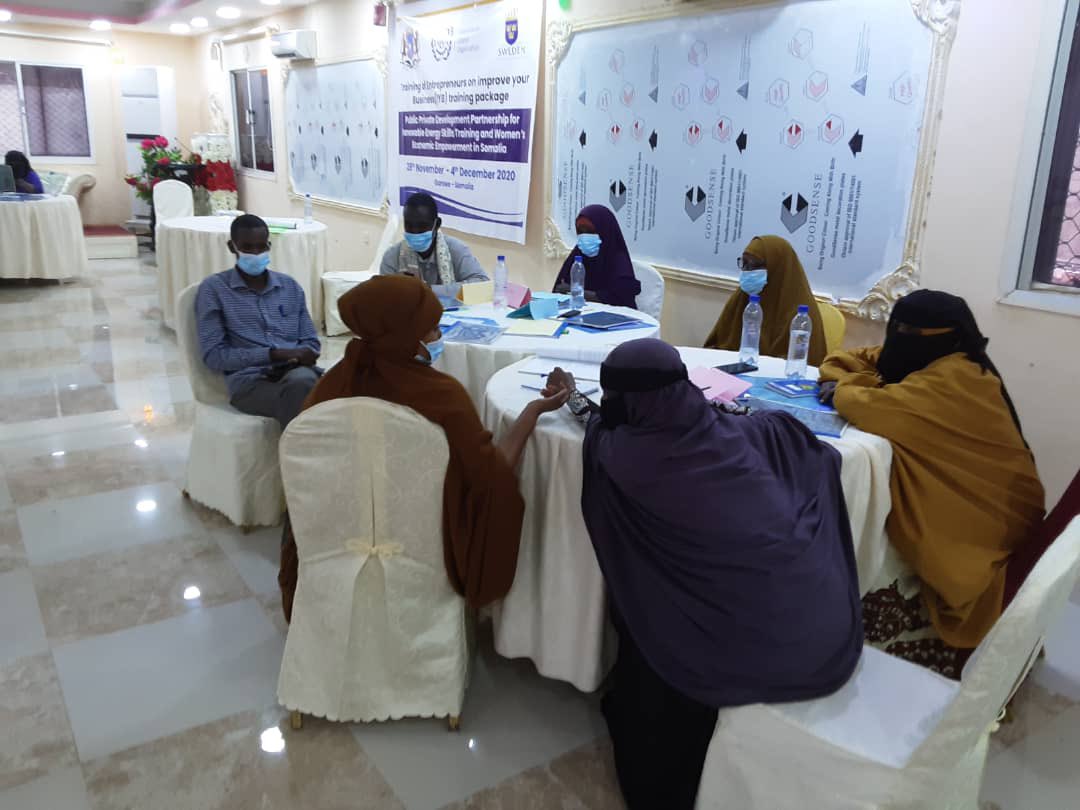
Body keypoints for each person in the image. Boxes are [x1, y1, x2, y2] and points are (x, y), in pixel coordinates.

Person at [543, 338, 862, 810]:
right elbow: (798, 438)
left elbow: (599, 428)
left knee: (646, 639)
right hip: (822, 632)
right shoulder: (750, 435)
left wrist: (572, 395)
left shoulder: (625, 457)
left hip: (738, 656)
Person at [277, 275, 569, 620]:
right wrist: (531, 413)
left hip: (337, 535)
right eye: (431, 330)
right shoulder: (444, 396)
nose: (440, 337)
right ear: (404, 335)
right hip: (422, 544)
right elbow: (492, 479)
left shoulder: (331, 386)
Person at [818, 289, 1044, 677]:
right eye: (896, 328)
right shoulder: (935, 362)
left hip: (990, 523)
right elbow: (852, 360)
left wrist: (845, 390)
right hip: (989, 502)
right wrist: (858, 382)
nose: (899, 338)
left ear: (950, 337)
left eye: (910, 332)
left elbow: (872, 408)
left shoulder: (957, 379)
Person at [195, 214, 321, 429]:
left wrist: (301, 355)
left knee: (337, 385)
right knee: (303, 392)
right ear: (232, 247)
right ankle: (301, 458)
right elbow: (214, 356)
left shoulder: (289, 287)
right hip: (250, 383)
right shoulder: (214, 290)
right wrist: (273, 354)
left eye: (261, 247)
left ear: (269, 246)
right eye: (247, 247)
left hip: (295, 372)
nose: (255, 253)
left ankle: (306, 454)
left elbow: (311, 342)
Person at [704, 234, 827, 366]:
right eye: (744, 263)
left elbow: (807, 364)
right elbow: (715, 346)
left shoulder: (801, 312)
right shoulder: (742, 298)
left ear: (777, 267)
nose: (747, 271)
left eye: (754, 265)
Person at [379, 192, 489, 297]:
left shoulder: (456, 250)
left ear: (437, 225)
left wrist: (430, 291)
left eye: (422, 226)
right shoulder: (392, 256)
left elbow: (482, 285)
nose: (415, 232)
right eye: (409, 225)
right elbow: (384, 294)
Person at [553, 204, 641, 308]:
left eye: (590, 231)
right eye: (580, 231)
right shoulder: (577, 255)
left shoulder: (618, 260)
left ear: (604, 230)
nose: (585, 236)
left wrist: (580, 294)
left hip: (614, 319)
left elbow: (620, 297)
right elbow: (559, 289)